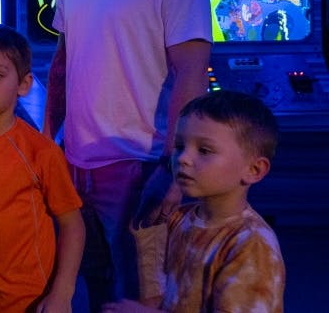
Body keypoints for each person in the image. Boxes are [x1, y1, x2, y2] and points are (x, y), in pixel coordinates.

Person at [42, 0, 213, 309]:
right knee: (91, 279)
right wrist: (46, 142)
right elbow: (61, 65)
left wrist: (176, 168)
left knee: (137, 289)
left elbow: (192, 76)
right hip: (74, 160)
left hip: (138, 162)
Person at [103, 90, 286, 312]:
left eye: (204, 150)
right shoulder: (182, 219)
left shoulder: (252, 245)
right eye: (180, 146)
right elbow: (162, 287)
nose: (183, 158)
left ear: (254, 170)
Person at [0, 24, 85, 312]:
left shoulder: (41, 152)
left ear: (24, 85)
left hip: (28, 301)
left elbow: (72, 224)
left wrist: (63, 293)